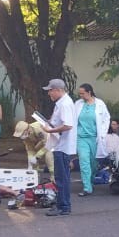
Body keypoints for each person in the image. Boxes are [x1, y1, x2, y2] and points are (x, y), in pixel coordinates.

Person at [41, 78, 76, 217]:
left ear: (58, 90)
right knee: (62, 177)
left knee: (61, 178)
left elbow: (68, 125)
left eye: (50, 90)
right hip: (62, 145)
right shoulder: (62, 103)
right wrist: (51, 122)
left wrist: (50, 130)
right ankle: (63, 205)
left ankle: (64, 206)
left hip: (63, 146)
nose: (49, 93)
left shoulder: (65, 104)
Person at [73, 83, 110, 196]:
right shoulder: (78, 104)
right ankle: (87, 187)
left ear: (89, 92)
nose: (81, 96)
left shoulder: (100, 104)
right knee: (84, 161)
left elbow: (106, 119)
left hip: (94, 138)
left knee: (93, 163)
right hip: (81, 137)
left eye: (82, 93)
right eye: (79, 94)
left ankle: (90, 180)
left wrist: (103, 133)